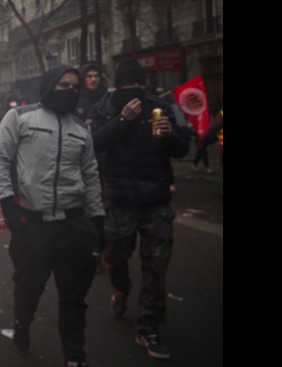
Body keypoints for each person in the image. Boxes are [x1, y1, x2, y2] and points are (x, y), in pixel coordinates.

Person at [0, 66, 105, 367]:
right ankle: (22, 325)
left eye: (74, 86)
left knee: (74, 297)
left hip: (72, 224)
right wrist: (7, 204)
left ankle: (74, 356)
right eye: (63, 84)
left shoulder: (81, 128)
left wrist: (97, 219)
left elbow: (90, 175)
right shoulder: (20, 117)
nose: (70, 90)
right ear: (48, 86)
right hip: (33, 225)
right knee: (29, 287)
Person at [88, 60, 190, 360]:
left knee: (155, 268)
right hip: (117, 200)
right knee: (114, 258)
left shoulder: (160, 106)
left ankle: (148, 328)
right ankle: (120, 290)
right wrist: (122, 119)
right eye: (126, 88)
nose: (133, 93)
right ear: (117, 86)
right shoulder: (104, 108)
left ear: (144, 86)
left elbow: (183, 148)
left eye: (137, 88)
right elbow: (91, 144)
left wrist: (170, 133)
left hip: (155, 202)